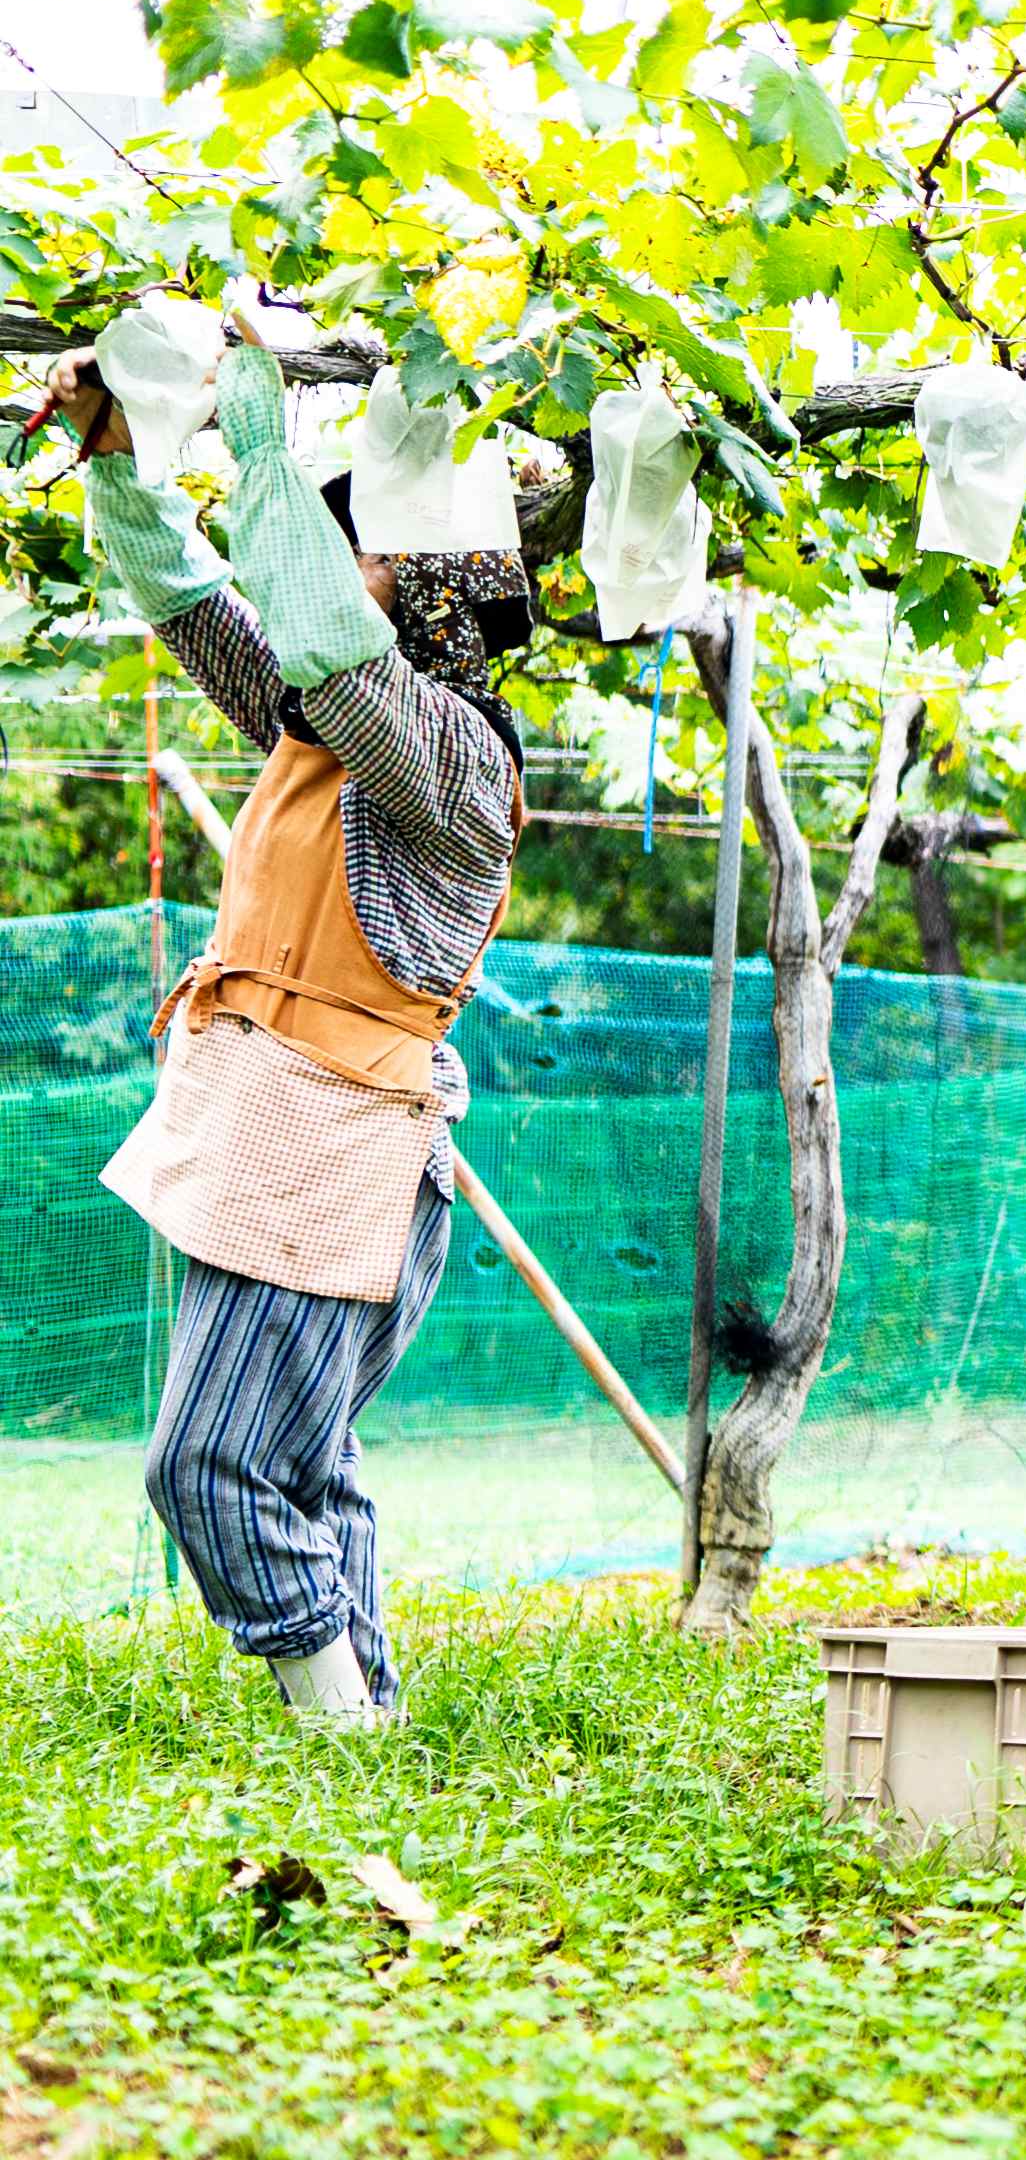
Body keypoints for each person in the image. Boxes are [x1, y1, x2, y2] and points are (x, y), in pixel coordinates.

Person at [40, 332, 535, 1726]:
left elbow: (321, 633)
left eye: (365, 555)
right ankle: (365, 1736)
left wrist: (259, 427)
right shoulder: (327, 722)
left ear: (431, 603)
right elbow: (205, 606)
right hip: (280, 1117)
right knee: (299, 1465)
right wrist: (130, 454)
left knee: (207, 1465)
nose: (340, 574)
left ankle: (341, 1731)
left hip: (342, 1141)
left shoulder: (450, 754)